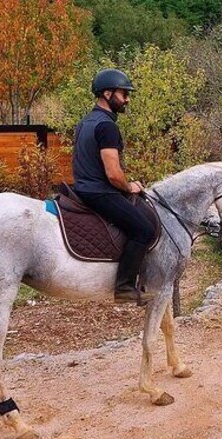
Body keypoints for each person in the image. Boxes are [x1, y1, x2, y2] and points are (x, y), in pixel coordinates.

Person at [71, 68, 155, 304]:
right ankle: (125, 287)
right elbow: (113, 173)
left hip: (82, 188)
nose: (127, 99)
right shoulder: (107, 127)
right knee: (144, 230)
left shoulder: (85, 121)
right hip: (100, 192)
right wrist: (130, 187)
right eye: (124, 94)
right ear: (107, 94)